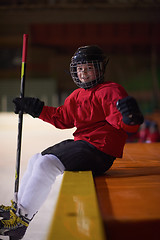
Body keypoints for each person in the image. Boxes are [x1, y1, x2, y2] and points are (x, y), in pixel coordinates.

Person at [0, 45, 144, 239]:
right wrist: (36, 109)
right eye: (79, 68)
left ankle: (21, 221)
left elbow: (123, 122)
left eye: (89, 68)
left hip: (100, 150)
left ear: (100, 69)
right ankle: (16, 211)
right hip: (84, 144)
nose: (83, 73)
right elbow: (63, 118)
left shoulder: (110, 90)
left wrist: (130, 119)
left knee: (46, 164)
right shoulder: (76, 95)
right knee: (36, 159)